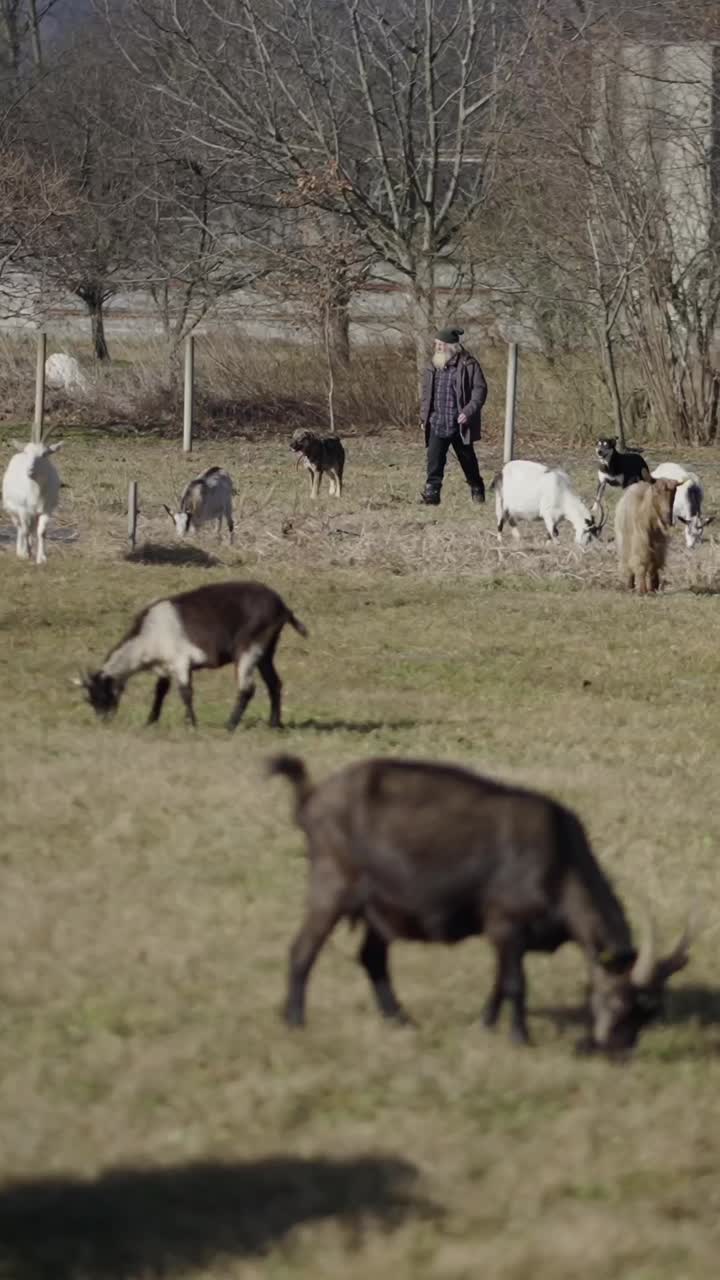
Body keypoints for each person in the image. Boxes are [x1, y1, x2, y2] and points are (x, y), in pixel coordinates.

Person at [419, 326, 488, 506]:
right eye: (437, 344)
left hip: (459, 424)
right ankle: (431, 495)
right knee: (434, 461)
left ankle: (477, 488)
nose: (438, 347)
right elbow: (426, 393)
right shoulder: (433, 365)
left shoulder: (468, 364)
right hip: (437, 422)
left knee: (468, 461)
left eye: (441, 344)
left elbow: (480, 391)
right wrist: (424, 417)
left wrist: (468, 412)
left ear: (452, 346)